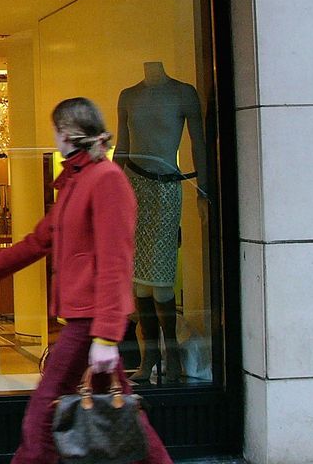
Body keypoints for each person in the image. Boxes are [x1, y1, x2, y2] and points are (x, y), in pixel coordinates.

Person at [0, 97, 172, 464]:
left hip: (90, 322)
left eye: (54, 131)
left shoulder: (106, 180)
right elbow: (38, 241)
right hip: (86, 320)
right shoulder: (77, 182)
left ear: (66, 133)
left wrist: (106, 337)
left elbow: (116, 262)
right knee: (126, 417)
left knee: (43, 416)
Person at [114, 61, 207, 385]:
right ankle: (150, 354)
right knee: (140, 281)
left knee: (162, 276)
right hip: (134, 186)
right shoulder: (128, 95)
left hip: (166, 187)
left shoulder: (183, 93)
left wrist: (204, 191)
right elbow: (122, 148)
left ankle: (172, 353)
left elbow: (198, 144)